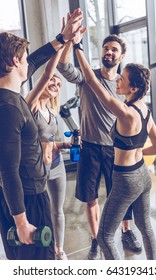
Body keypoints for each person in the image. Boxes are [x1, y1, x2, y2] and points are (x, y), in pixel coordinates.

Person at [0, 8, 83, 260]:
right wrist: (22, 221)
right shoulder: (8, 108)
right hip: (27, 200)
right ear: (15, 62)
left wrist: (62, 37)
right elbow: (8, 170)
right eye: (23, 58)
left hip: (29, 194)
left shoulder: (10, 93)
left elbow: (35, 61)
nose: (28, 62)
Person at [74, 32, 156, 259]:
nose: (117, 81)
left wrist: (77, 46)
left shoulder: (125, 113)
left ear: (132, 88)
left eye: (122, 79)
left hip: (125, 179)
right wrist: (135, 152)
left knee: (104, 236)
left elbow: (93, 82)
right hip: (142, 174)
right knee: (145, 227)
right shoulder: (145, 110)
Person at [57, 32, 142, 259]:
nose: (109, 52)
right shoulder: (86, 76)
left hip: (118, 149)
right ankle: (96, 240)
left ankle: (126, 230)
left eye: (114, 49)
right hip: (90, 147)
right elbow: (63, 66)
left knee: (122, 194)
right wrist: (69, 41)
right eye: (106, 48)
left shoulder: (124, 85)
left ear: (121, 55)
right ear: (101, 52)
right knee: (90, 197)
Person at [25, 49, 72, 260]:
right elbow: (45, 74)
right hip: (38, 169)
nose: (56, 84)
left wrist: (66, 145)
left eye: (59, 84)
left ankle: (59, 250)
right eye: (53, 81)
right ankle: (43, 251)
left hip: (57, 166)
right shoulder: (31, 105)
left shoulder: (53, 112)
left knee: (58, 211)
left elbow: (50, 143)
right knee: (40, 214)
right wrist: (60, 47)